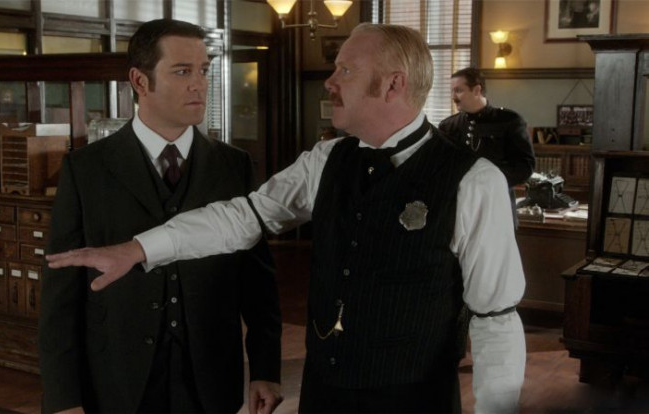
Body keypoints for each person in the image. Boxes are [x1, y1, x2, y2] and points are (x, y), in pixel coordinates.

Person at [48, 23, 526, 413]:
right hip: (323, 396)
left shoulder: (474, 182)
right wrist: (138, 249)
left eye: (345, 70)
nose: (330, 82)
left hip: (413, 401)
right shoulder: (325, 160)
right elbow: (242, 218)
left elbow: (496, 321)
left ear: (393, 84)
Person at [38, 19, 282, 414]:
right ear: (140, 81)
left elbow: (257, 282)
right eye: (182, 71)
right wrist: (64, 399)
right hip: (117, 382)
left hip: (210, 381)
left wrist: (265, 368)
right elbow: (60, 296)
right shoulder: (87, 168)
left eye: (203, 70)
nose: (199, 84)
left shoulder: (233, 165)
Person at [439, 67, 535, 226]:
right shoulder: (448, 126)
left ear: (477, 90)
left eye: (458, 91)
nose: (453, 97)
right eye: (452, 91)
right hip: (459, 210)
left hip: (497, 206)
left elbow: (525, 166)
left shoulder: (509, 121)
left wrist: (487, 181)